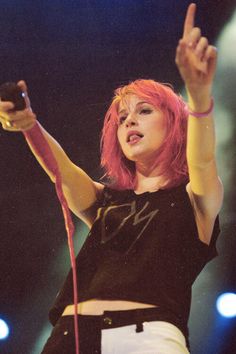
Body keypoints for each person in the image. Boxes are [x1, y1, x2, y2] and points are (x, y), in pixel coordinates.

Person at [0, 3, 223, 354]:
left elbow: (204, 157)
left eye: (144, 111)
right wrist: (30, 126)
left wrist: (198, 95)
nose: (129, 121)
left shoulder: (196, 198)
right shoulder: (107, 201)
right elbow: (65, 171)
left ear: (176, 126)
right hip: (68, 337)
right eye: (122, 118)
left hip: (147, 338)